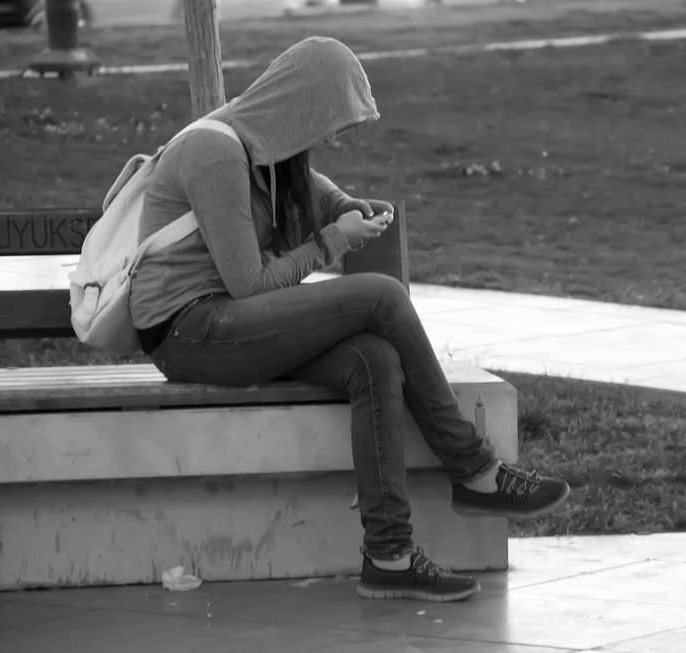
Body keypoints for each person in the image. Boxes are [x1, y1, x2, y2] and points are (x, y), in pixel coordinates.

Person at [129, 36, 570, 602]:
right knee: (381, 297)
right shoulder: (215, 152)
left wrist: (344, 207)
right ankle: (475, 470)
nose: (334, 138)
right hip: (190, 331)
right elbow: (250, 286)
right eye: (332, 122)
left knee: (374, 358)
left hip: (231, 325)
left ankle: (390, 555)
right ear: (301, 106)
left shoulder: (261, 144)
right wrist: (333, 242)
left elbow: (311, 189)